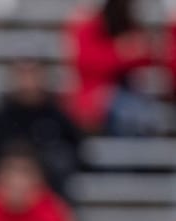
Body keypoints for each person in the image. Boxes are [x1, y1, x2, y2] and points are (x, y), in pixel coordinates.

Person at [0, 59, 83, 200]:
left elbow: (76, 150)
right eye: (23, 75)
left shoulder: (58, 116)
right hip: (1, 196)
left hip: (49, 192)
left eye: (32, 75)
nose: (28, 82)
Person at [62, 0, 162, 135]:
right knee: (131, 113)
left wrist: (128, 50)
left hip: (130, 93)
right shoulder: (87, 24)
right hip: (96, 98)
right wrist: (120, 51)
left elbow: (145, 56)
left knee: (141, 114)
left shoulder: (127, 23)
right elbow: (87, 62)